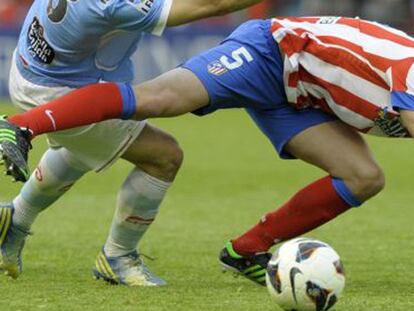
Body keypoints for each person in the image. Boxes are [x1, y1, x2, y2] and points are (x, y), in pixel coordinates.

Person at [3, 16, 414, 287]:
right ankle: (22, 126)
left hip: (304, 97)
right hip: (270, 53)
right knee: (162, 98)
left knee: (363, 177)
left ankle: (246, 250)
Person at [0, 0, 267, 286]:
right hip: (56, 92)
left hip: (33, 69)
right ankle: (118, 257)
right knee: (163, 157)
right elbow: (213, 5)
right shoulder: (112, 3)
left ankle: (15, 219)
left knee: (82, 150)